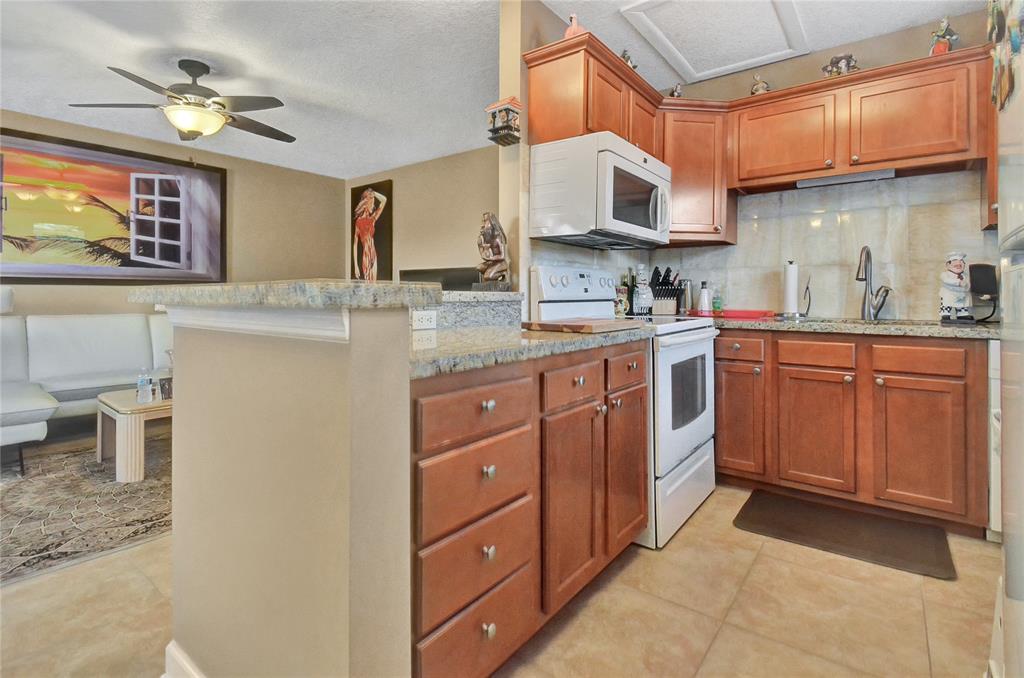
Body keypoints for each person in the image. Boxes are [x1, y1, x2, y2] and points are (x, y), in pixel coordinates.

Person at [353, 188, 387, 281]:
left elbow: (384, 200)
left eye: (373, 200)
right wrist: (356, 265)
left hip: (373, 255)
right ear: (366, 201)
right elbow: (355, 245)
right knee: (368, 287)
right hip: (366, 256)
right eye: (371, 200)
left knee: (374, 286)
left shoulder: (373, 218)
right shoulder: (358, 222)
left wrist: (374, 193)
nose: (373, 203)